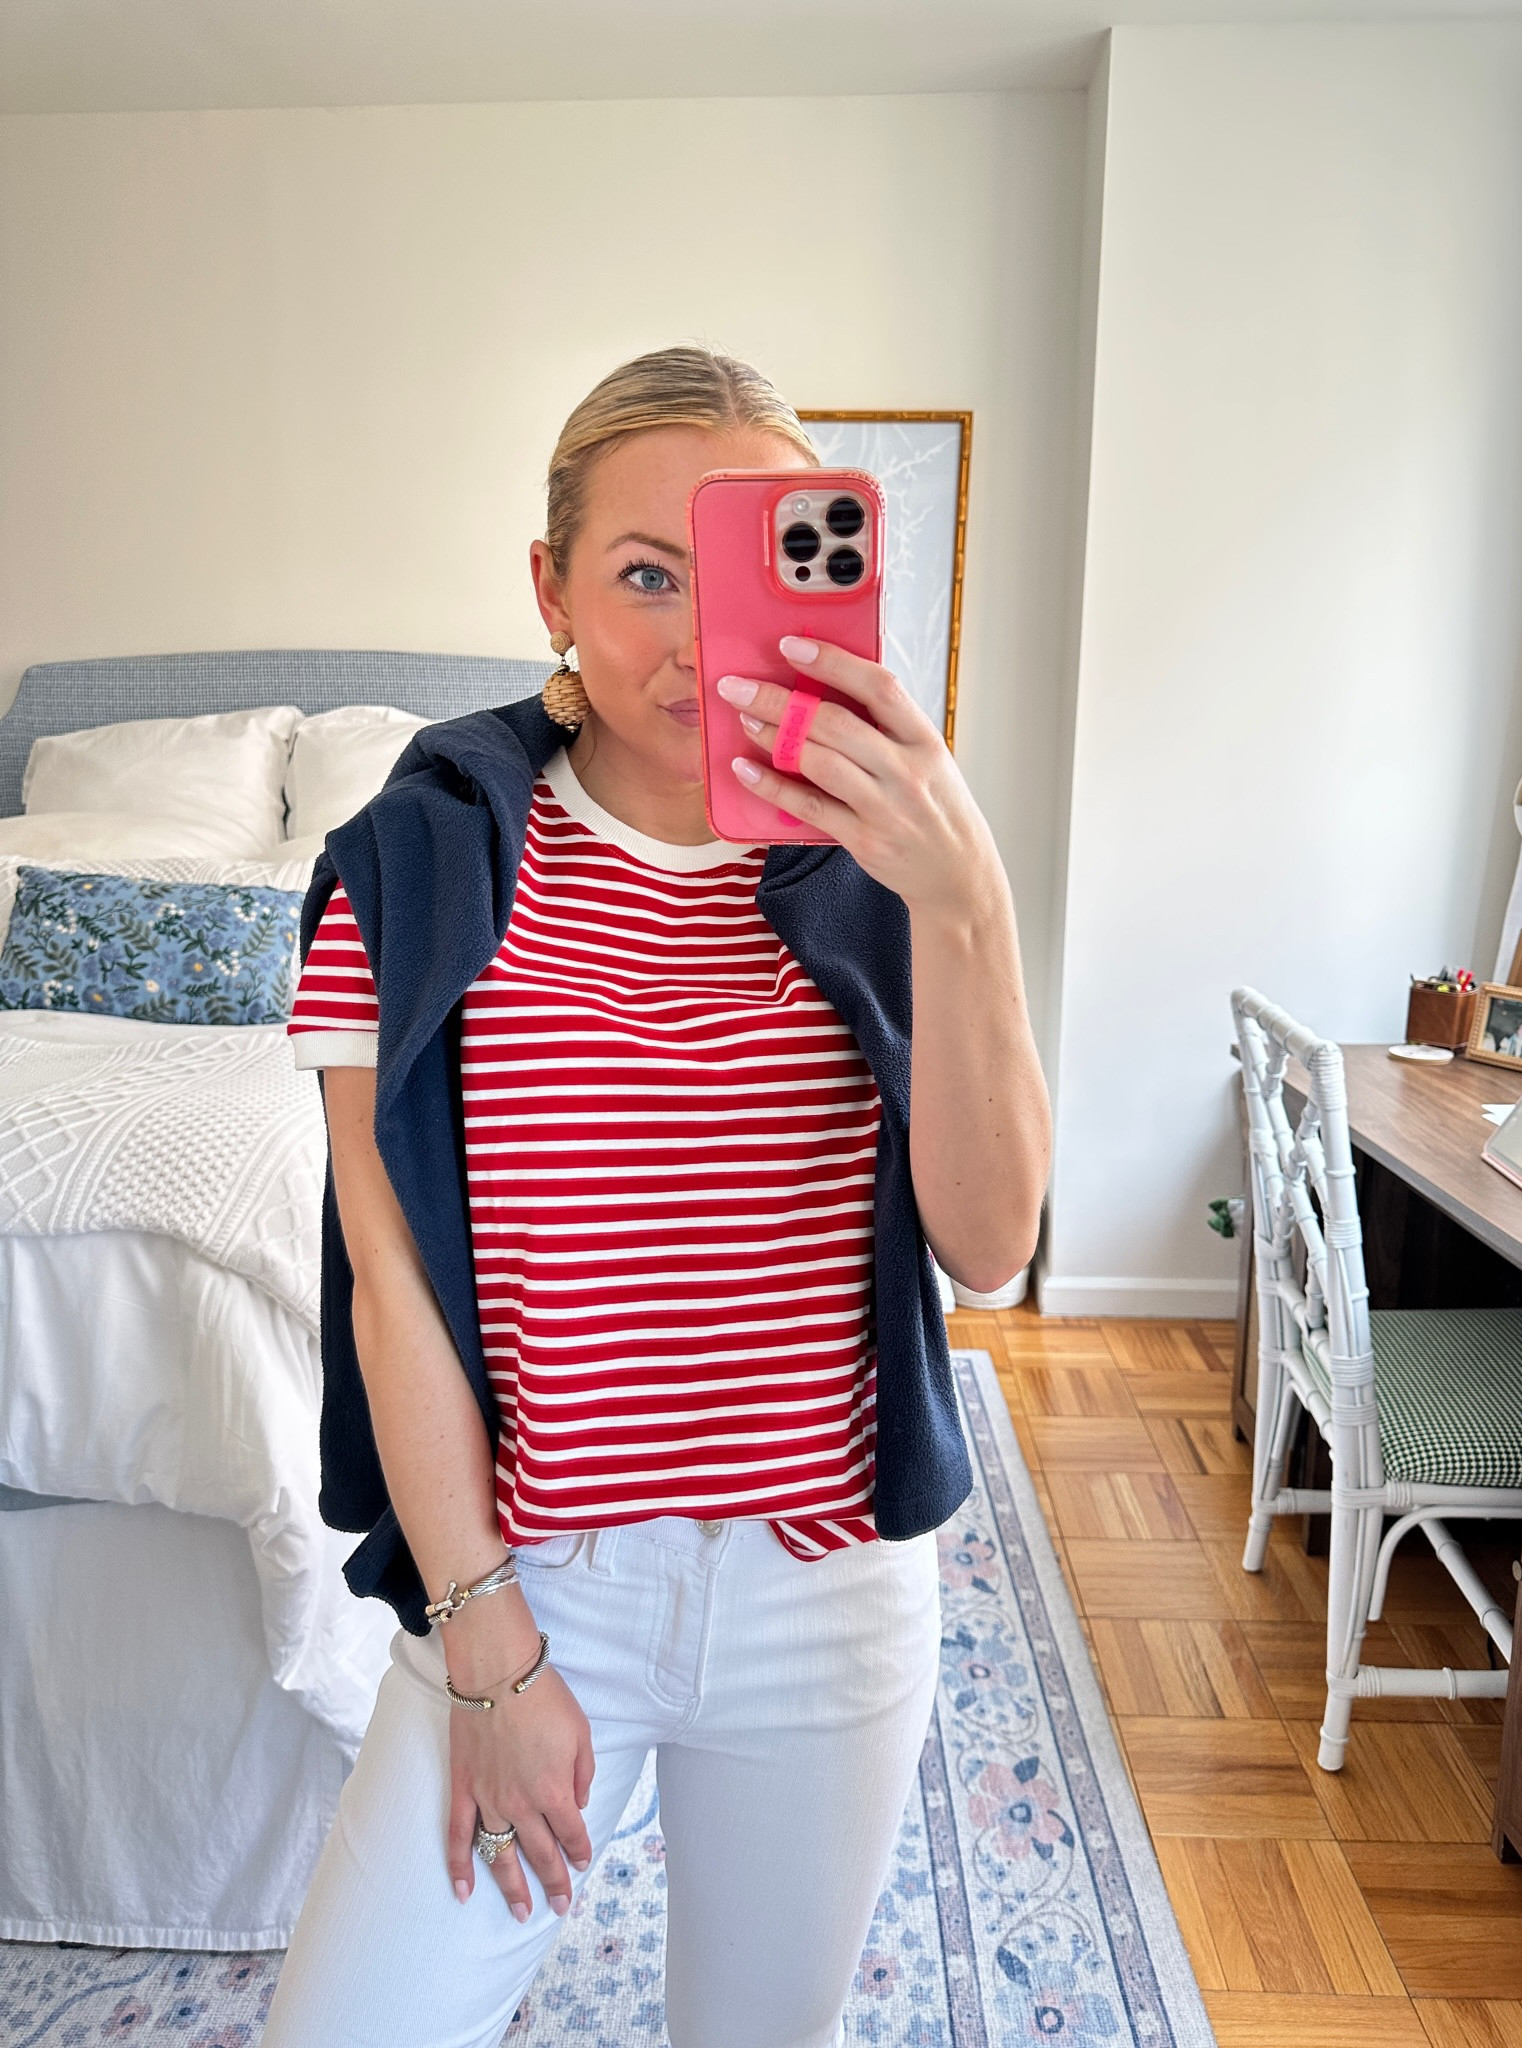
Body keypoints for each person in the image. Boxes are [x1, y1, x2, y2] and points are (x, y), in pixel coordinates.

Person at [262, 345, 1050, 2048]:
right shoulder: (415, 860)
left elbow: (991, 1252)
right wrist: (490, 1650)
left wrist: (968, 903)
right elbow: (389, 1287)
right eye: (643, 575)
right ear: (549, 590)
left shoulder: (887, 858)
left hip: (824, 1598)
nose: (699, 637)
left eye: (747, 571)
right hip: (538, 1580)